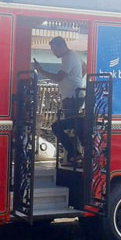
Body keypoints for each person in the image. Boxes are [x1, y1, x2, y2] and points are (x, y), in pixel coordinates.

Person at [33, 36, 85, 164]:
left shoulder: (68, 57)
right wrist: (76, 80)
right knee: (72, 129)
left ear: (60, 46)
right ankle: (74, 155)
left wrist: (41, 71)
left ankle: (75, 154)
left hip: (72, 98)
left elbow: (58, 78)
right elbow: (85, 67)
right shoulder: (75, 55)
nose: (53, 52)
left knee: (61, 127)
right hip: (74, 96)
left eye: (53, 49)